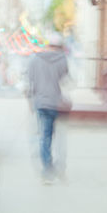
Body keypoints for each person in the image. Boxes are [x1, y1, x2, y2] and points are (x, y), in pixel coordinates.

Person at [27, 31, 70, 183]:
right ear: (59, 46)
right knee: (57, 136)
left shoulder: (34, 59)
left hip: (40, 102)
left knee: (44, 136)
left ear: (47, 45)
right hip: (56, 102)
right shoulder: (62, 60)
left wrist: (30, 103)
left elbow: (30, 83)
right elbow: (65, 79)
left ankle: (47, 169)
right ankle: (58, 168)